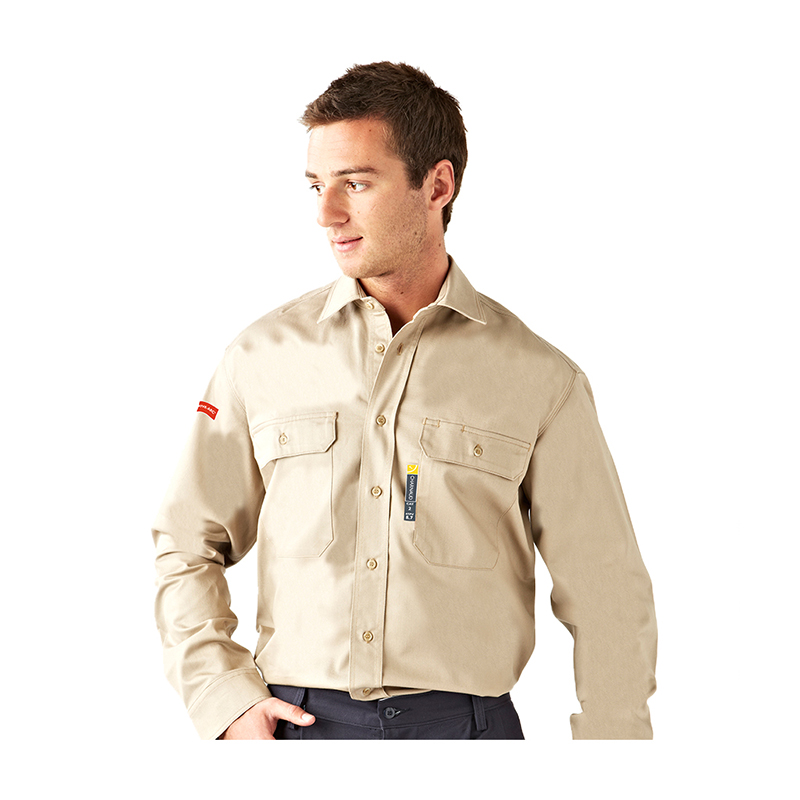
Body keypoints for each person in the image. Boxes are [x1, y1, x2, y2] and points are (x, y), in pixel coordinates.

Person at [152, 62, 657, 740]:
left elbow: (605, 587)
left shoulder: (541, 379)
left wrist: (617, 755)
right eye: (316, 185)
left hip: (468, 733)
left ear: (437, 185)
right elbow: (187, 541)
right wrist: (223, 695)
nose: (327, 214)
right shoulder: (259, 358)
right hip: (297, 731)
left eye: (356, 183)